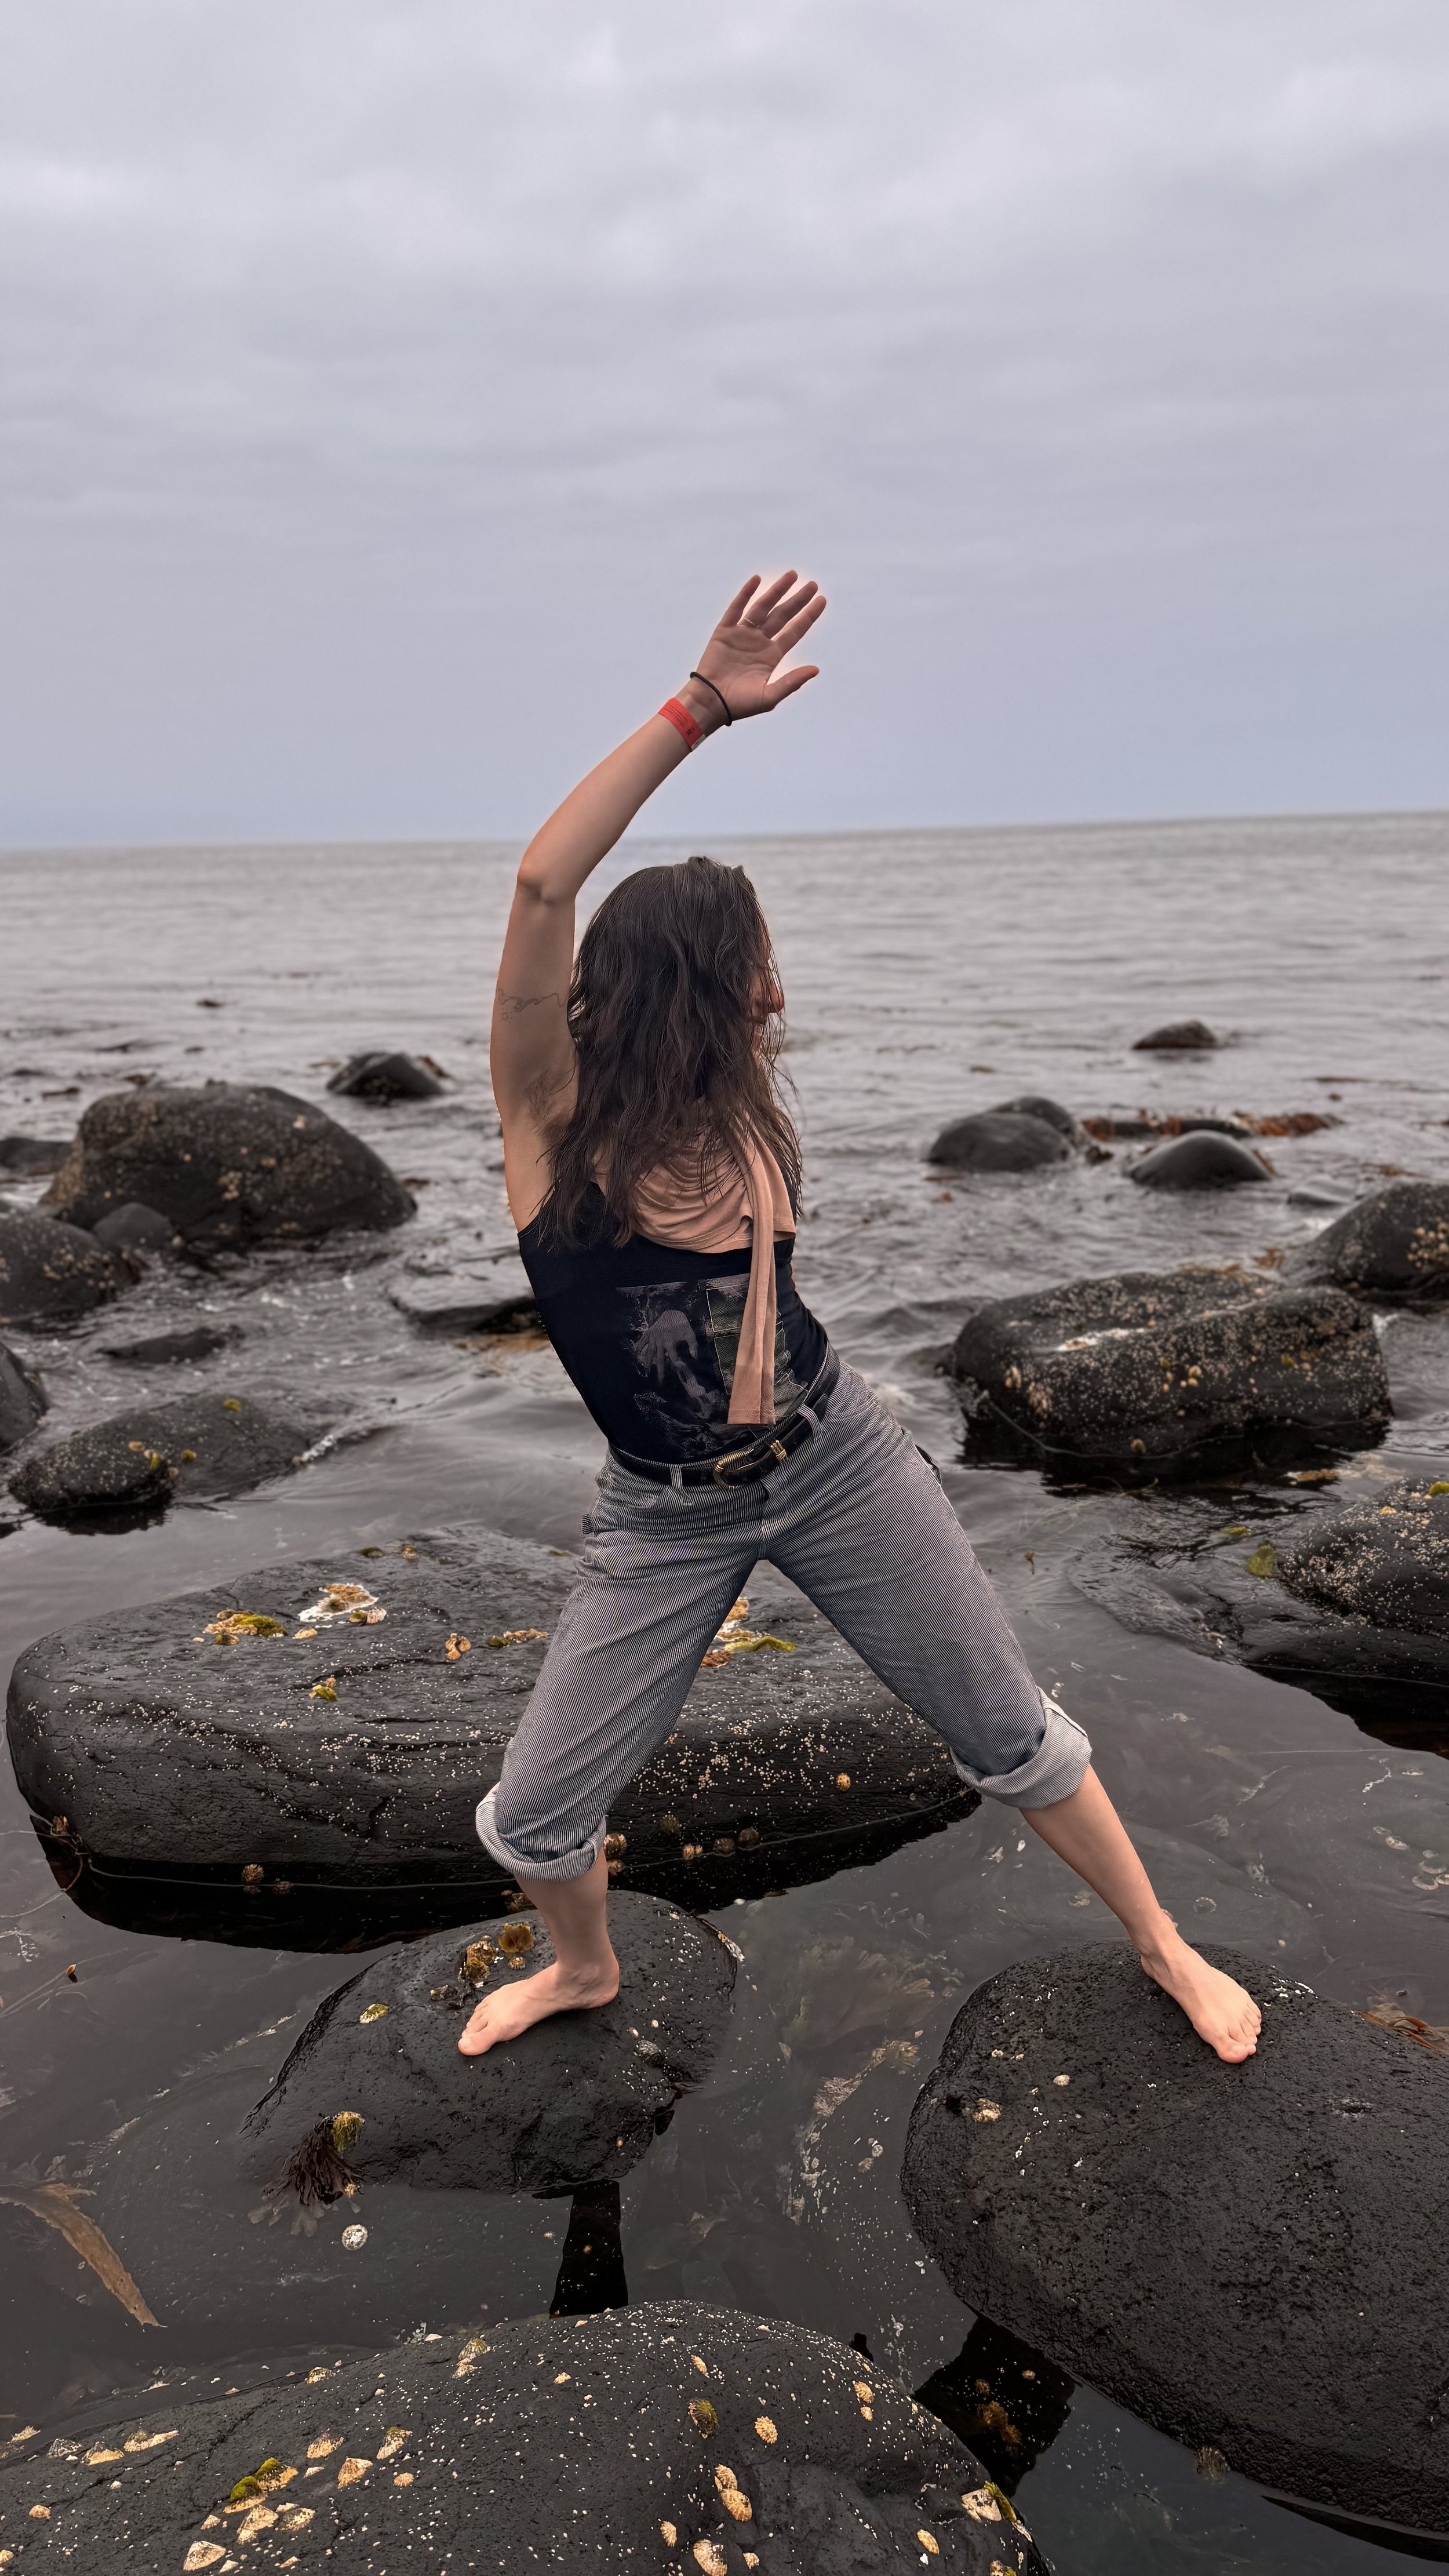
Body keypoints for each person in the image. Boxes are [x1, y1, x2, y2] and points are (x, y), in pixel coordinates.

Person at [460, 570, 1261, 2068]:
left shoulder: (738, 1104)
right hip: (665, 1513)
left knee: (1008, 1730)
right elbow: (539, 887)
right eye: (757, 957)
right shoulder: (549, 1117)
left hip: (835, 1459)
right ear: (701, 979)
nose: (780, 985)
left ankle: (1160, 1940)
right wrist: (696, 709)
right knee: (533, 1814)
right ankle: (583, 1967)